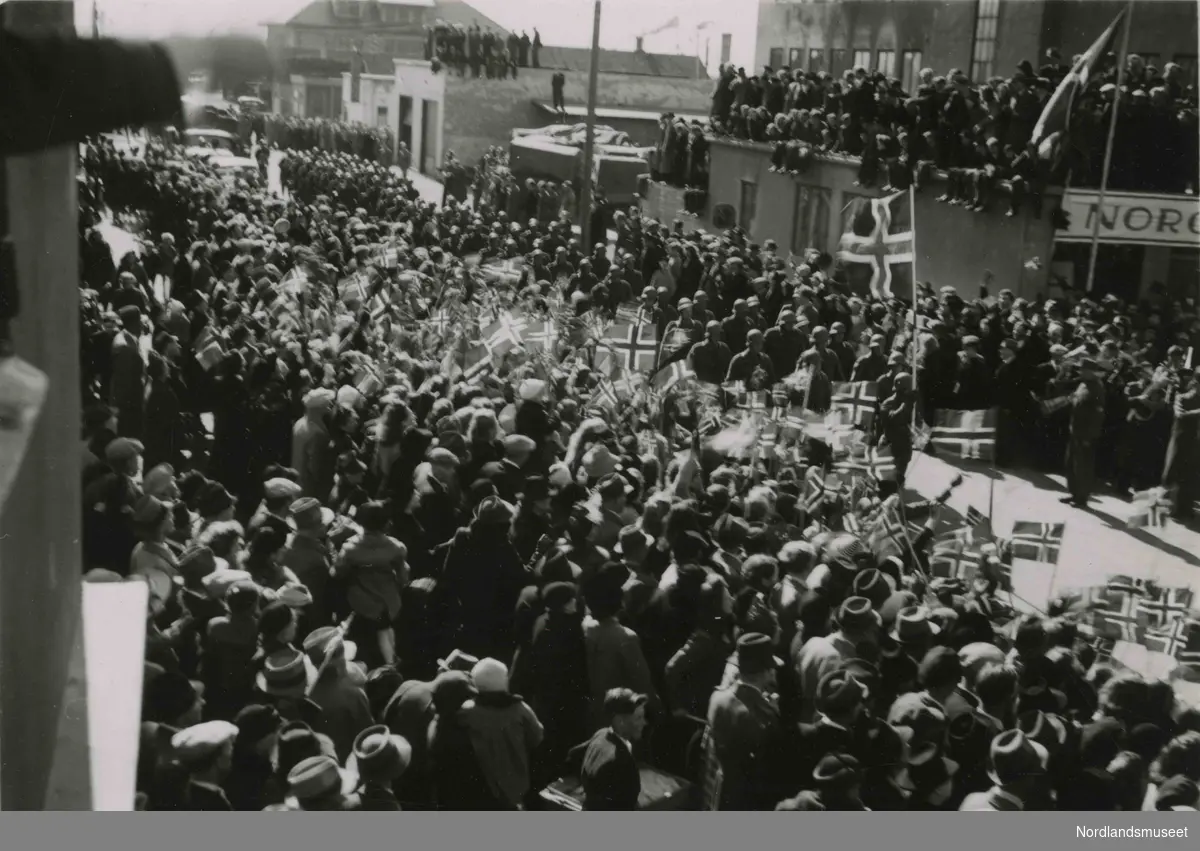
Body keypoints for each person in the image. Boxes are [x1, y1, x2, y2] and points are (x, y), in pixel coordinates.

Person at [577, 687, 648, 810]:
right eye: (638, 718)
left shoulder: (601, 734)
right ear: (620, 721)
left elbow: (573, 754)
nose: (644, 723)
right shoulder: (621, 762)